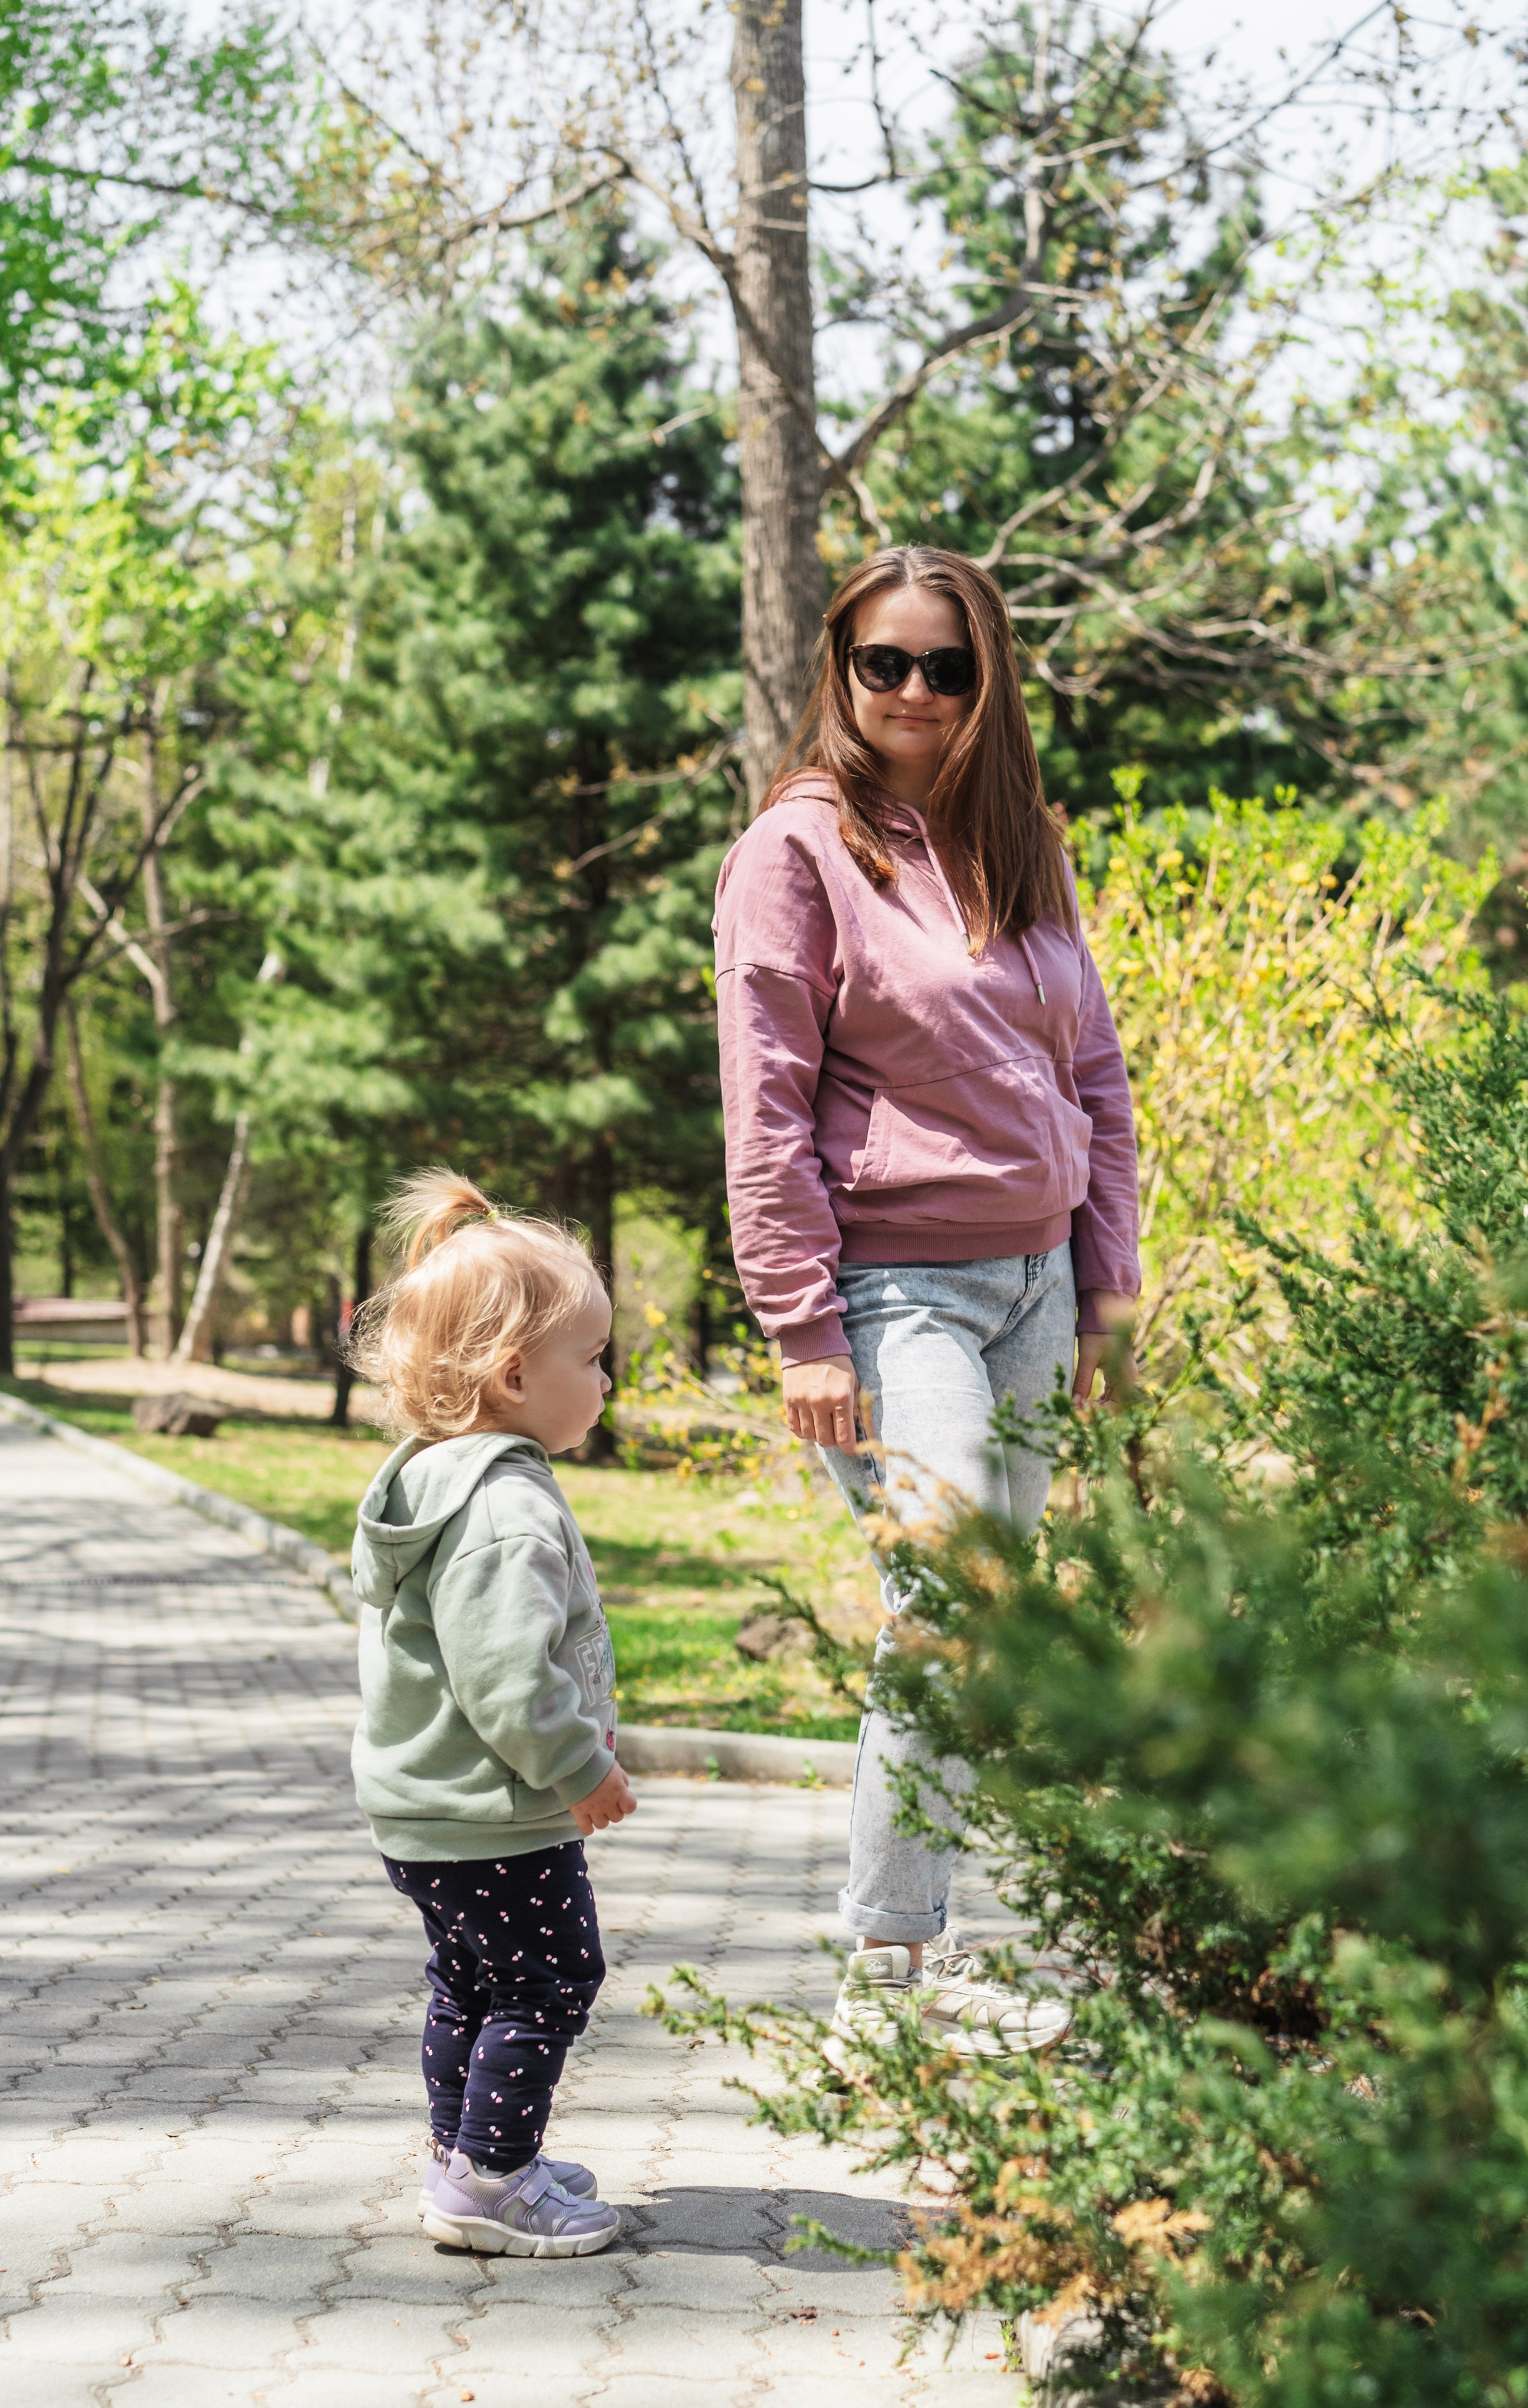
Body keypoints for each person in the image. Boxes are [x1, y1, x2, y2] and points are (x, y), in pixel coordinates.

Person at [713, 544, 1140, 2054]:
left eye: (941, 668)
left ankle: (929, 1950)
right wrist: (800, 1327)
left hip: (1033, 1285)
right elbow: (762, 1108)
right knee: (947, 1602)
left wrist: (1108, 1291)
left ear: (986, 682)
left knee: (976, 1621)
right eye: (879, 663)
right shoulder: (798, 852)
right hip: (892, 1293)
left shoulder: (1019, 840)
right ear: (837, 672)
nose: (908, 691)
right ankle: (885, 1976)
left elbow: (1090, 1071)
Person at [347, 1172, 638, 2257]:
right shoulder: (505, 1507)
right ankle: (496, 2179)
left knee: (471, 1977)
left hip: (430, 1815)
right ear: (515, 1375)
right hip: (495, 1812)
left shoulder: (434, 1476)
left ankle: (464, 2150)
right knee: (554, 1974)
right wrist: (578, 1769)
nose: (606, 1377)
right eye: (592, 1358)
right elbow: (505, 1677)